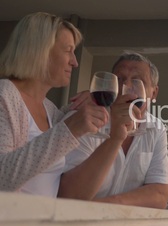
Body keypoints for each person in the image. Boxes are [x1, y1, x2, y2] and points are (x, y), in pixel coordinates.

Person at [0, 12, 108, 197]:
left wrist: (76, 108)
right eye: (68, 51)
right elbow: (3, 178)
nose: (74, 62)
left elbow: (50, 145)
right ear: (38, 50)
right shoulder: (4, 95)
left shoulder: (49, 109)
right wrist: (70, 128)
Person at [59, 51, 168, 209]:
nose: (128, 86)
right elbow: (68, 196)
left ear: (153, 93)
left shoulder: (156, 129)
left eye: (138, 81)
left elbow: (159, 195)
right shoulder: (83, 119)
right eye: (120, 79)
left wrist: (108, 207)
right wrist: (115, 138)